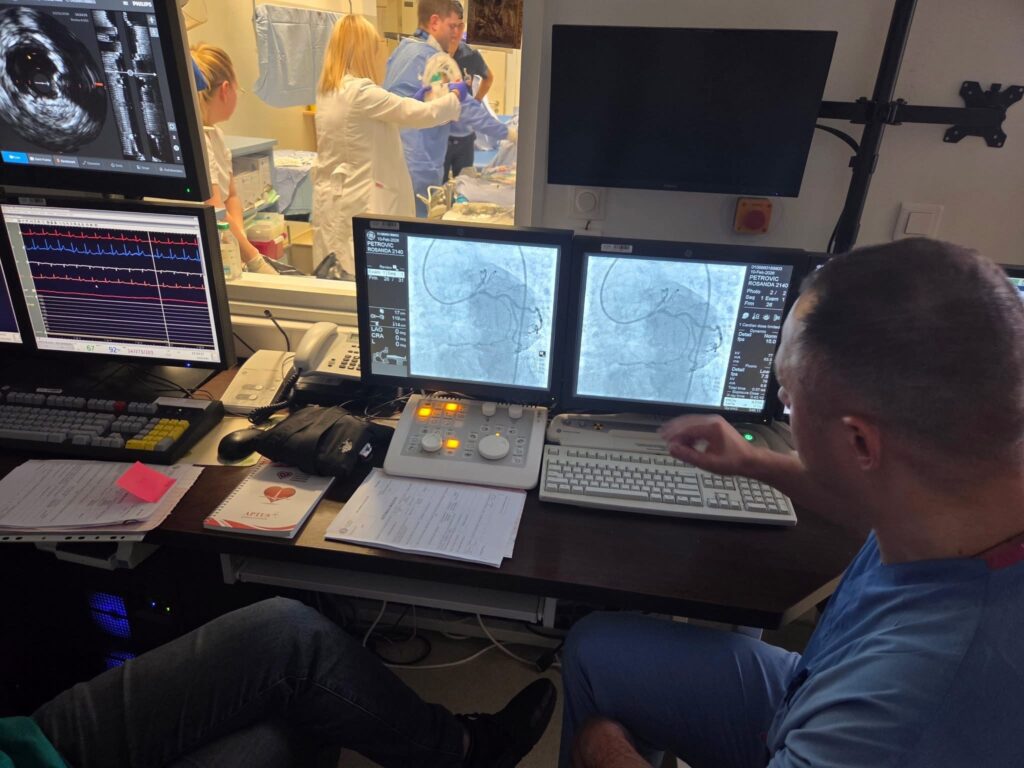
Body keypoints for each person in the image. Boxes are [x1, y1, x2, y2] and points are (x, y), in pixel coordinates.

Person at [561, 238, 1024, 767]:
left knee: (600, 736)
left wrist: (606, 750)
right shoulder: (965, 482)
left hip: (838, 712)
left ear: (859, 443)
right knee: (594, 648)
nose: (783, 405)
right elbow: (875, 493)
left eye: (787, 395)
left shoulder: (900, 712)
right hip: (808, 686)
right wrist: (754, 462)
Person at [2, 597, 556, 767]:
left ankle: (457, 750)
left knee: (287, 630)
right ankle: (465, 751)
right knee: (298, 725)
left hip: (27, 744)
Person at [311, 14, 467, 277]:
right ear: (363, 50)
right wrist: (453, 97)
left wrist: (417, 102)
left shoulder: (330, 90)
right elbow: (416, 114)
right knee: (360, 273)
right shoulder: (360, 91)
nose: (380, 56)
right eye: (376, 47)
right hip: (359, 199)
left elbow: (377, 124)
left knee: (337, 271)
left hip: (336, 198)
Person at [383, 0, 513, 216]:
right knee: (419, 224)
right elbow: (465, 107)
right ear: (435, 22)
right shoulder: (432, 60)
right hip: (419, 166)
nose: (457, 33)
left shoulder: (403, 50)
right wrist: (509, 133)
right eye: (452, 26)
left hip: (396, 162)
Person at [191, 44, 277, 275]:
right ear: (225, 89)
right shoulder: (199, 142)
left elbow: (231, 196)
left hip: (227, 246)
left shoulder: (216, 136)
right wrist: (255, 260)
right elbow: (215, 206)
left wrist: (238, 247)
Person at [443, 0, 495, 181]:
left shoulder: (471, 55)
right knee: (437, 187)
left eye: (459, 26)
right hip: (440, 134)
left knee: (465, 185)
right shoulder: (432, 55)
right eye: (451, 26)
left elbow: (489, 77)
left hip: (465, 136)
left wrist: (477, 101)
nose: (455, 32)